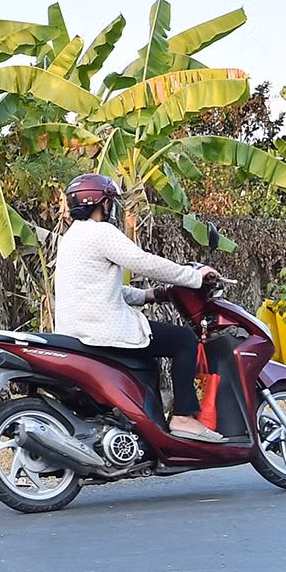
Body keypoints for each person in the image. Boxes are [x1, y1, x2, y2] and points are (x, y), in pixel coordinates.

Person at [52, 174, 223, 442]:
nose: (111, 208)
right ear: (102, 204)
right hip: (102, 329)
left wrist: (147, 295)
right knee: (183, 340)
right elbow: (142, 262)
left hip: (77, 331)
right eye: (110, 202)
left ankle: (147, 428)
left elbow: (97, 288)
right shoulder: (101, 232)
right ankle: (183, 417)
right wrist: (194, 277)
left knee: (149, 356)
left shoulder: (71, 238)